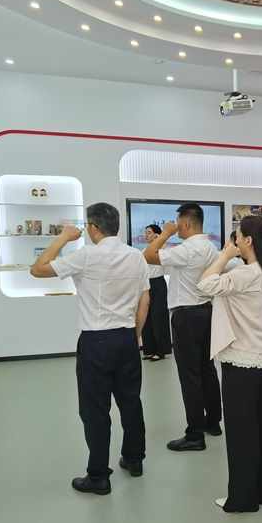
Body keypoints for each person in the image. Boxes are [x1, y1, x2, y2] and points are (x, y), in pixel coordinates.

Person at [30, 202, 149, 494]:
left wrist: (63, 237)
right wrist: (134, 335)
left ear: (93, 228)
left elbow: (38, 269)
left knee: (95, 410)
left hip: (96, 341)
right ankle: (134, 459)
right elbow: (145, 299)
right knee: (130, 402)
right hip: (126, 338)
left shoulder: (86, 255)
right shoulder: (136, 256)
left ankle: (98, 476)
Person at [197, 216, 262, 513]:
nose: (235, 242)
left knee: (241, 432)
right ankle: (258, 491)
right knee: (260, 428)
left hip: (242, 362)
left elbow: (205, 284)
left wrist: (224, 255)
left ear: (248, 241)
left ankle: (243, 498)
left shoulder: (246, 273)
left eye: (238, 237)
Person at [143, 203, 221, 451]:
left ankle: (195, 435)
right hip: (207, 312)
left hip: (186, 316)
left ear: (186, 223)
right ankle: (213, 422)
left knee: (190, 376)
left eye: (177, 223)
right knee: (207, 369)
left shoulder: (187, 249)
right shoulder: (210, 247)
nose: (175, 227)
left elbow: (149, 255)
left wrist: (165, 233)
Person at [141, 224, 172, 362]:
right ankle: (149, 349)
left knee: (158, 318)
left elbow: (168, 253)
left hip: (158, 284)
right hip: (145, 285)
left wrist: (161, 240)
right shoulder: (143, 251)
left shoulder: (162, 249)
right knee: (146, 318)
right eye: (145, 232)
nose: (146, 235)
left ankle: (160, 351)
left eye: (149, 232)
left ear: (156, 235)